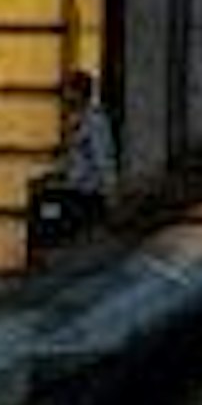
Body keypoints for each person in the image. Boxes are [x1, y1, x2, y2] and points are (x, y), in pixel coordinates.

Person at [25, 64, 122, 270]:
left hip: (86, 193)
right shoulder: (77, 119)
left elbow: (103, 158)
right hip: (75, 189)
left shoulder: (94, 121)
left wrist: (110, 192)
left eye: (70, 91)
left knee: (51, 213)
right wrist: (51, 174)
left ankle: (58, 261)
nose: (66, 96)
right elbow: (73, 159)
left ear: (80, 93)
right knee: (44, 207)